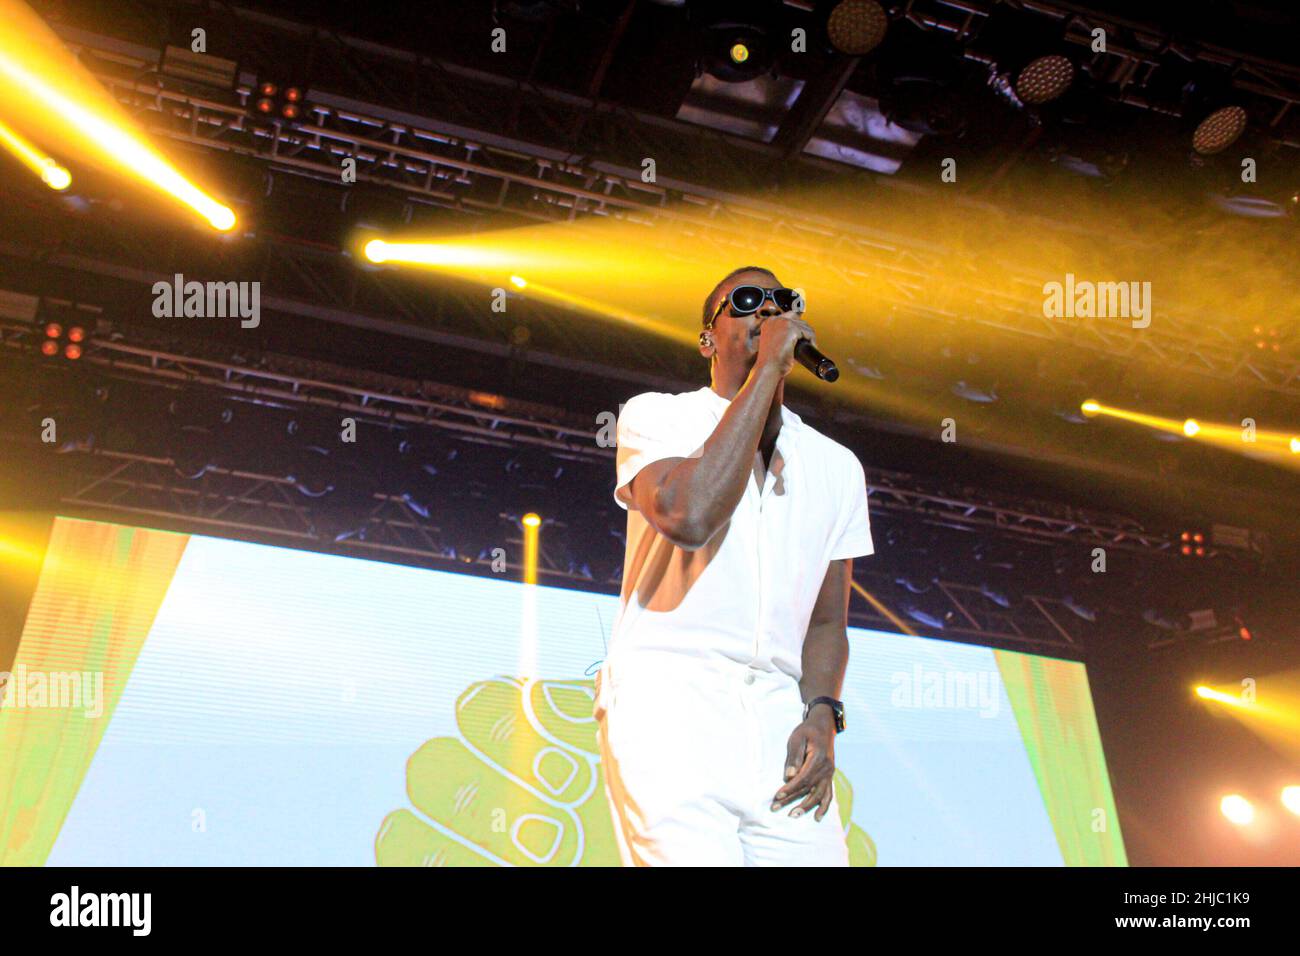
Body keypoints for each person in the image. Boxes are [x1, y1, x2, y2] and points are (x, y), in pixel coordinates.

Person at [593, 265, 874, 866]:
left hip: (776, 714)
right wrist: (768, 369)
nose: (768, 312)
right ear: (707, 339)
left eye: (783, 302)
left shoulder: (837, 466)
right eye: (746, 302)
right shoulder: (658, 416)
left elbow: (826, 624)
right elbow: (689, 516)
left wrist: (824, 714)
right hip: (671, 700)